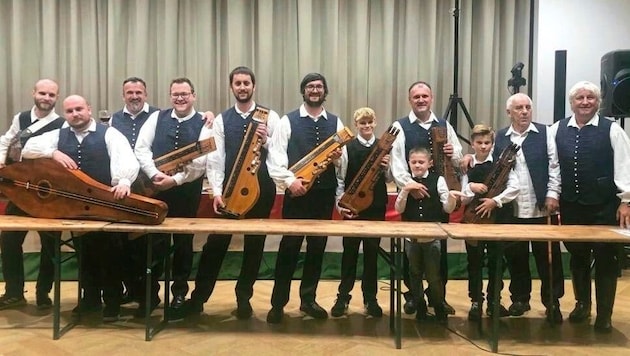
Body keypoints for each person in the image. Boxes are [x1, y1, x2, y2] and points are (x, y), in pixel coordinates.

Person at [21, 94, 139, 322]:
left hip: (105, 206)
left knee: (110, 256)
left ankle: (112, 302)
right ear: (65, 114)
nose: (75, 114)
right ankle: (90, 299)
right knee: (85, 255)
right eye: (70, 111)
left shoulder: (109, 134)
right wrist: (52, 152)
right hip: (75, 208)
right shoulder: (59, 135)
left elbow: (126, 159)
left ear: (89, 109)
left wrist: (123, 181)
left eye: (79, 109)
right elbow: (28, 147)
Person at [180, 66, 280, 320]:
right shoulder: (223, 120)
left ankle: (244, 299)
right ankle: (198, 299)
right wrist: (216, 191)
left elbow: (280, 154)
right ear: (232, 87)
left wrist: (267, 139)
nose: (243, 87)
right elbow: (216, 159)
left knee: (254, 246)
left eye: (247, 83)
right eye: (238, 83)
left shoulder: (271, 117)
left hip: (262, 190)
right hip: (230, 191)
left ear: (253, 86)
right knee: (216, 244)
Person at [549, 81, 630, 333]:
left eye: (590, 98)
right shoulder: (556, 129)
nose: (585, 102)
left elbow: (624, 166)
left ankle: (604, 314)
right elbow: (552, 165)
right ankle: (582, 304)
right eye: (580, 98)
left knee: (606, 259)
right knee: (578, 256)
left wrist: (626, 201)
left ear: (598, 102)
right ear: (572, 103)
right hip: (572, 206)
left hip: (605, 206)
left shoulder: (613, 130)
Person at [265, 72, 344, 324]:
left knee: (316, 250)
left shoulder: (336, 122)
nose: (314, 90)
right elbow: (275, 158)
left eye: (319, 86)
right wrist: (290, 182)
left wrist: (340, 156)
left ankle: (308, 300)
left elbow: (343, 164)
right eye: (310, 86)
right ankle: (278, 304)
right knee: (288, 249)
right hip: (296, 196)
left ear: (325, 91)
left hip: (323, 196)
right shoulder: (287, 121)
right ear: (303, 91)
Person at [134, 77, 210, 315]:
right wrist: (155, 174)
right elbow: (141, 148)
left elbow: (202, 161)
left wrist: (175, 180)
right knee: (154, 242)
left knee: (183, 244)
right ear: (170, 96)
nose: (180, 98)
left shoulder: (205, 123)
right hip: (156, 190)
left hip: (187, 191)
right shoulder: (157, 118)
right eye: (176, 94)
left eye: (185, 94)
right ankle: (151, 295)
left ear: (193, 96)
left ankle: (179, 294)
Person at [390, 81, 463, 315]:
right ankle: (413, 296)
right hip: (411, 197)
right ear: (410, 100)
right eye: (416, 97)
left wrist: (454, 153)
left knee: (438, 251)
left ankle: (437, 297)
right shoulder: (400, 127)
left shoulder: (444, 125)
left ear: (431, 98)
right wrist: (409, 185)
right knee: (411, 253)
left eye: (425, 96)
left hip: (436, 195)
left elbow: (458, 158)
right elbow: (397, 163)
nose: (421, 100)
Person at [494, 93, 564, 324]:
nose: (524, 112)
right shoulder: (500, 137)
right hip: (512, 210)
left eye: (527, 107)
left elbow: (554, 166)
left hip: (542, 208)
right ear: (509, 112)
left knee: (548, 259)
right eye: (519, 108)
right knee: (516, 257)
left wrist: (553, 194)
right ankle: (520, 299)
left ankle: (552, 301)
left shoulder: (546, 133)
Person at [0, 79, 65, 310]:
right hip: (20, 189)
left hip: (46, 192)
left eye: (51, 95)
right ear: (34, 93)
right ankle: (14, 292)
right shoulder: (21, 118)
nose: (46, 98)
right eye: (43, 93)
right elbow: (8, 140)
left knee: (50, 244)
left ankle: (43, 292)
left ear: (56, 97)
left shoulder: (62, 123)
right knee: (9, 240)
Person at [331, 107, 389, 318]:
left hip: (376, 208)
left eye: (369, 122)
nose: (366, 126)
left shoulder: (384, 147)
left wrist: (387, 166)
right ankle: (343, 296)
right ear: (356, 125)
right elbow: (340, 179)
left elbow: (390, 179)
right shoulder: (348, 148)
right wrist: (341, 205)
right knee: (350, 254)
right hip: (353, 209)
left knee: (372, 255)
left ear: (375, 123)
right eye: (361, 123)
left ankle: (370, 298)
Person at [108, 77, 160, 314]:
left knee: (148, 245)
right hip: (123, 189)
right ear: (123, 95)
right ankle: (132, 291)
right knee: (122, 244)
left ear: (146, 94)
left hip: (150, 188)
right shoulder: (114, 120)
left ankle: (150, 296)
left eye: (139, 91)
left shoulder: (159, 116)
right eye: (130, 92)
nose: (134, 96)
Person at [459, 124, 519, 321]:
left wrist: (495, 201)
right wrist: (470, 187)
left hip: (498, 219)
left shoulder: (502, 164)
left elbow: (514, 187)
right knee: (474, 262)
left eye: (487, 142)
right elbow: (463, 197)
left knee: (496, 261)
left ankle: (494, 301)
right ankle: (476, 301)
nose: (483, 146)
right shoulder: (468, 166)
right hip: (473, 220)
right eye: (479, 143)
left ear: (492, 143)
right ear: (473, 144)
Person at [394, 147, 459, 323]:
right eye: (413, 162)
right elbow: (399, 209)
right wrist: (406, 190)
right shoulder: (406, 182)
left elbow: (447, 208)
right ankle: (420, 305)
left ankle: (438, 306)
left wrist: (452, 198)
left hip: (432, 238)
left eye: (421, 162)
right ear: (409, 163)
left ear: (429, 163)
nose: (417, 165)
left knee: (433, 276)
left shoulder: (438, 180)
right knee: (414, 274)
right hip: (411, 239)